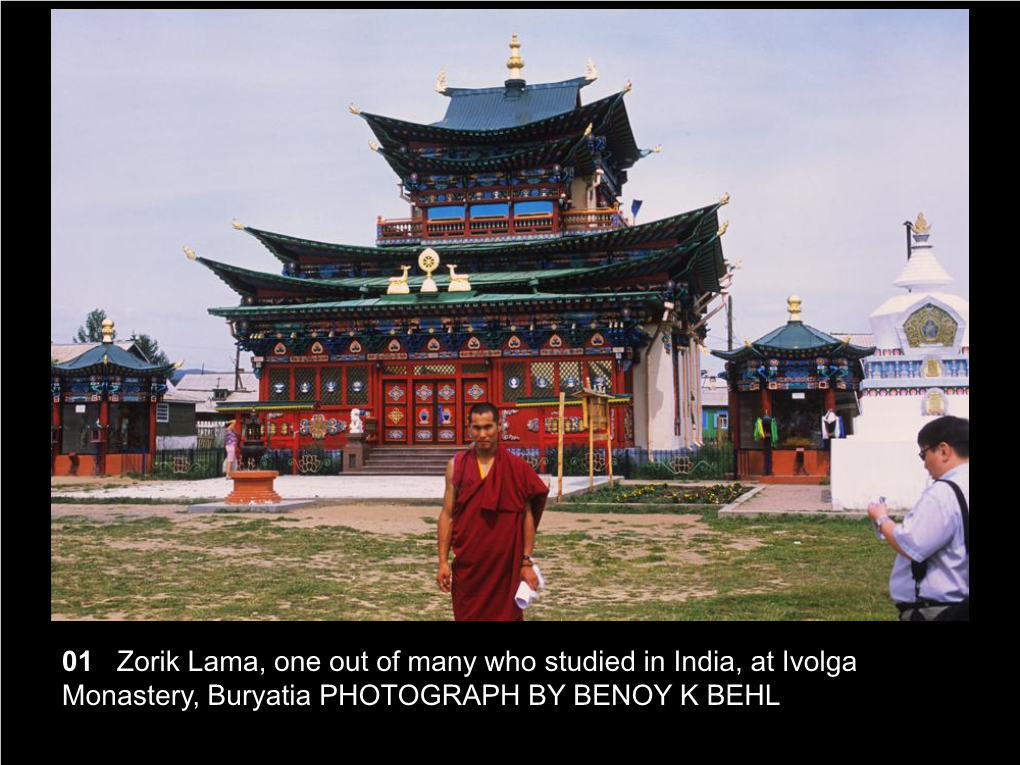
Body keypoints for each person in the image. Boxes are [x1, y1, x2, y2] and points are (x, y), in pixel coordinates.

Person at [436, 402, 549, 621]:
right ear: (469, 429)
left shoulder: (516, 467)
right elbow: (447, 515)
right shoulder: (457, 466)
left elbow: (527, 516)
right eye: (476, 428)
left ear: (499, 427)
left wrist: (526, 562)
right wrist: (442, 561)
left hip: (505, 569)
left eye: (488, 427)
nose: (483, 434)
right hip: (469, 568)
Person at [867, 416, 969, 621]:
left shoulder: (943, 493)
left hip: (941, 610)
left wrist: (881, 519)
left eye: (923, 454)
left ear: (943, 450)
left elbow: (912, 544)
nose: (924, 465)